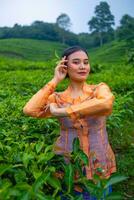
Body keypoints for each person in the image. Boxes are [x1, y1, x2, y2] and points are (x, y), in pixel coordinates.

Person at [23, 46, 117, 199]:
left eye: (86, 62)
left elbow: (106, 104)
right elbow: (29, 110)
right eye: (76, 62)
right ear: (65, 66)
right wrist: (55, 80)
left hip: (99, 163)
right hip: (68, 165)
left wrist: (63, 111)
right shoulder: (58, 98)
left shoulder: (99, 90)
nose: (82, 66)